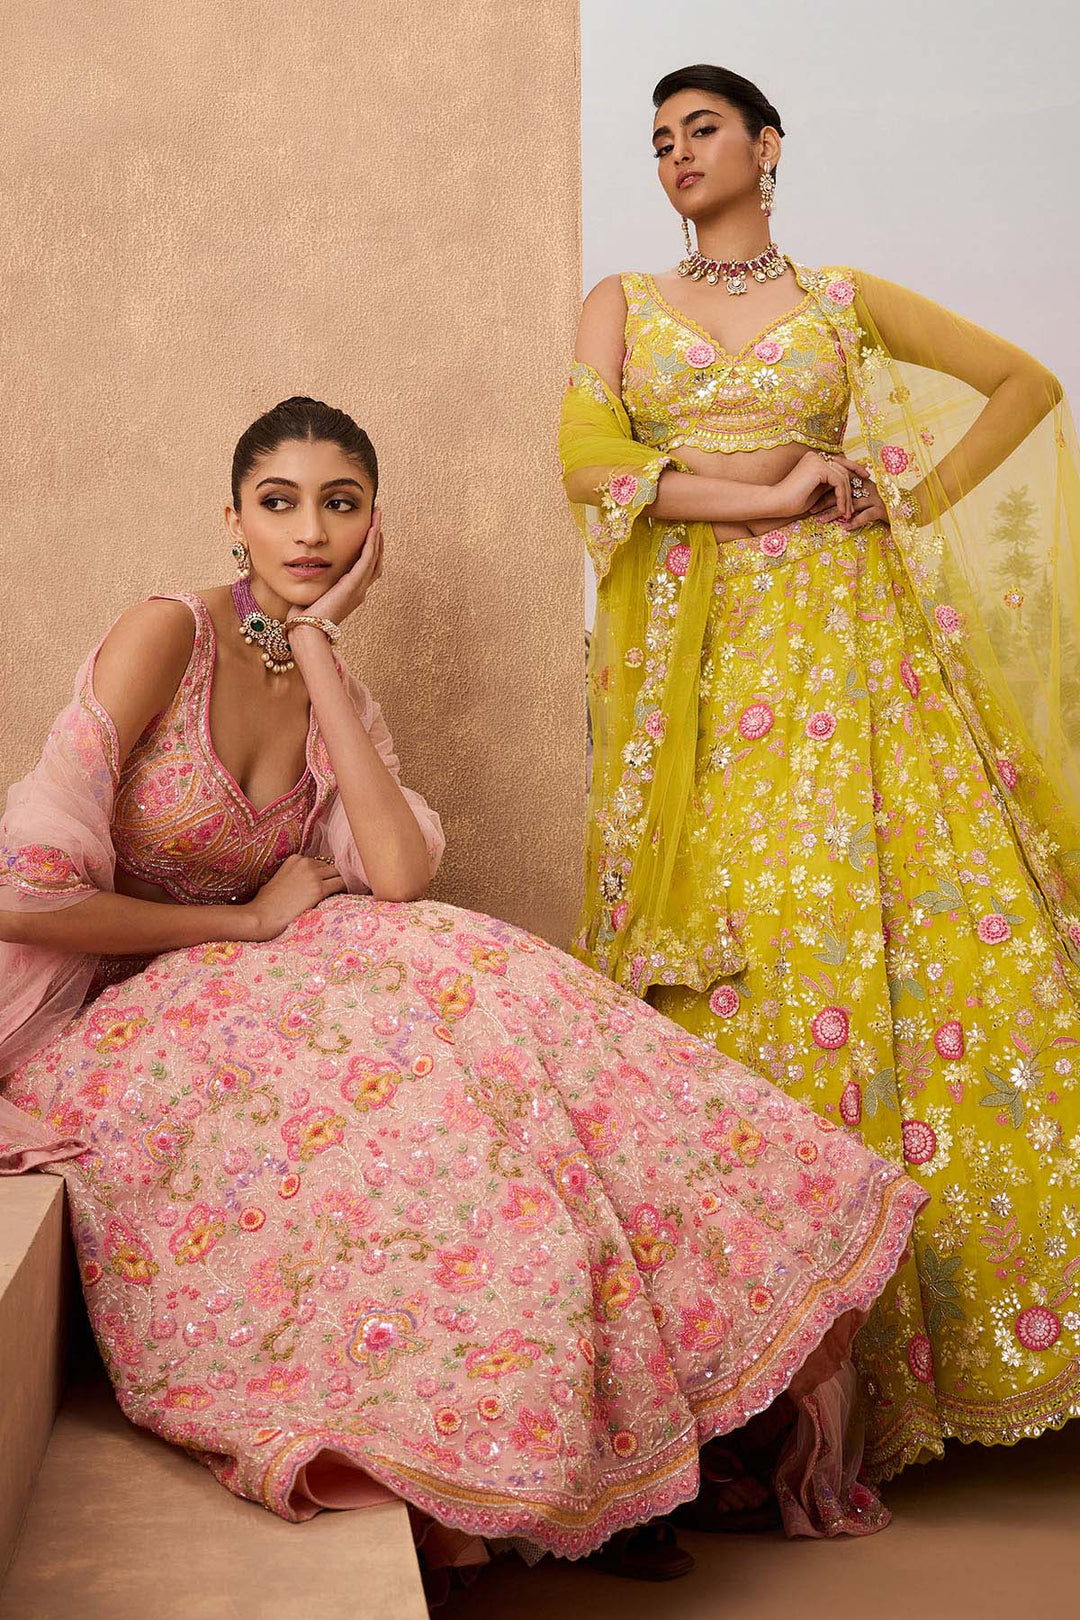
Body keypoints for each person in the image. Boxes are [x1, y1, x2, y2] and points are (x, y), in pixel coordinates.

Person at [0, 396, 923, 1580]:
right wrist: (241, 923)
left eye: (340, 504)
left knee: (470, 972)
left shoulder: (325, 678)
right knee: (380, 1051)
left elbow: (394, 874)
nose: (309, 531)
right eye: (279, 502)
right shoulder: (163, 636)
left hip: (245, 985)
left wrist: (320, 648)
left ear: (372, 527)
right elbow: (22, 900)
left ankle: (631, 1424)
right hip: (119, 1012)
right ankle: (511, 1450)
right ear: (232, 519)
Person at [560, 62, 1080, 1486]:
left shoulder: (840, 299)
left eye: (703, 129)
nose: (677, 153)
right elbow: (588, 462)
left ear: (768, 145)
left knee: (895, 932)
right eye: (658, 139)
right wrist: (768, 489)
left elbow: (1026, 385)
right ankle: (762, 1379)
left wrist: (900, 501)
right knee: (742, 950)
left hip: (855, 657)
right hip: (705, 676)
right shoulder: (623, 303)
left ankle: (914, 1350)